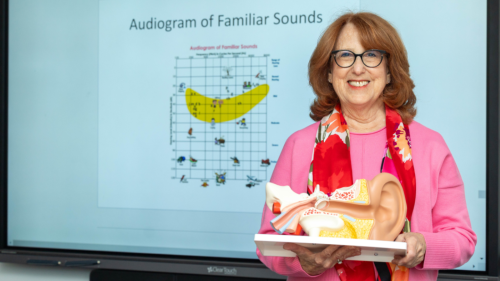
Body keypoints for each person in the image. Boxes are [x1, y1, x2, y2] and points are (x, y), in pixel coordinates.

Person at [256, 12, 476, 281]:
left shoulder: (430, 145)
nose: (357, 69)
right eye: (345, 56)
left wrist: (424, 246)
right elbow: (268, 240)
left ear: (388, 71)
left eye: (371, 55)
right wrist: (302, 263)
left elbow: (463, 239)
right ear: (328, 71)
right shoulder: (298, 145)